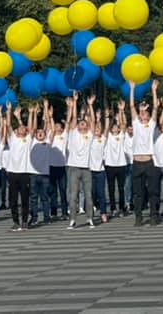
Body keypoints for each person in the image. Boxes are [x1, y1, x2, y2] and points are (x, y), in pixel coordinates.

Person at [130, 79, 161, 227]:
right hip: (137, 162)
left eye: (145, 114)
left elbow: (155, 107)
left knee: (153, 191)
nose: (143, 115)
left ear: (148, 117)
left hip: (149, 162)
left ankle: (154, 215)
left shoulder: (151, 125)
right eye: (141, 113)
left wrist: (154, 90)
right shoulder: (135, 124)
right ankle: (138, 217)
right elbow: (131, 106)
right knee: (137, 192)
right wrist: (132, 88)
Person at [65, 93, 94, 229]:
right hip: (74, 168)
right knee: (73, 196)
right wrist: (75, 102)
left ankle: (89, 218)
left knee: (88, 195)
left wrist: (90, 105)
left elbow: (93, 122)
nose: (82, 124)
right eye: (80, 123)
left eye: (84, 123)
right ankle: (72, 220)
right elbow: (74, 119)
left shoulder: (89, 134)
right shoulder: (73, 133)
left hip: (86, 168)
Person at [4, 103, 32, 232]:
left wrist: (28, 114)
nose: (21, 128)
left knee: (25, 199)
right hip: (12, 173)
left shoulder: (28, 140)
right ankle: (16, 222)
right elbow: (9, 125)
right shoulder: (12, 139)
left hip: (24, 172)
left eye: (23, 128)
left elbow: (31, 128)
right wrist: (9, 111)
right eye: (19, 127)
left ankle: (25, 221)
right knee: (13, 199)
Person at [27, 103, 52, 226]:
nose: (40, 133)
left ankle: (47, 217)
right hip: (33, 174)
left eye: (42, 132)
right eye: (38, 132)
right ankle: (34, 217)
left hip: (44, 174)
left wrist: (46, 109)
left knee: (45, 197)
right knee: (33, 198)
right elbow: (32, 128)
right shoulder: (31, 141)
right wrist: (33, 114)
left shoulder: (47, 142)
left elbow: (48, 126)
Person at [105, 101, 129, 218]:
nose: (115, 128)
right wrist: (107, 117)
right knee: (111, 189)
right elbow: (106, 126)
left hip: (121, 165)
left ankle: (122, 207)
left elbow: (124, 125)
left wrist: (121, 110)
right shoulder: (108, 136)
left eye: (116, 127)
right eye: (113, 127)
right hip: (110, 165)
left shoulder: (121, 135)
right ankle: (113, 208)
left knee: (121, 188)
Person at [48, 105, 69, 221]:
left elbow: (68, 125)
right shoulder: (50, 137)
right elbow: (51, 129)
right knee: (53, 192)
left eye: (58, 126)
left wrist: (70, 109)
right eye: (54, 126)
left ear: (61, 128)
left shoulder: (64, 136)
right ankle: (54, 212)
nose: (56, 128)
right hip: (51, 167)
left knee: (63, 191)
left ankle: (65, 212)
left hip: (61, 168)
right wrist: (50, 117)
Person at [89, 106, 109, 223]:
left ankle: (103, 213)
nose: (97, 129)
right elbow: (92, 123)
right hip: (90, 170)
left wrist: (105, 117)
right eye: (96, 128)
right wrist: (95, 116)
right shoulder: (90, 138)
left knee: (101, 193)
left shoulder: (103, 139)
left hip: (100, 170)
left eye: (99, 128)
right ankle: (91, 212)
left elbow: (106, 127)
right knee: (92, 193)